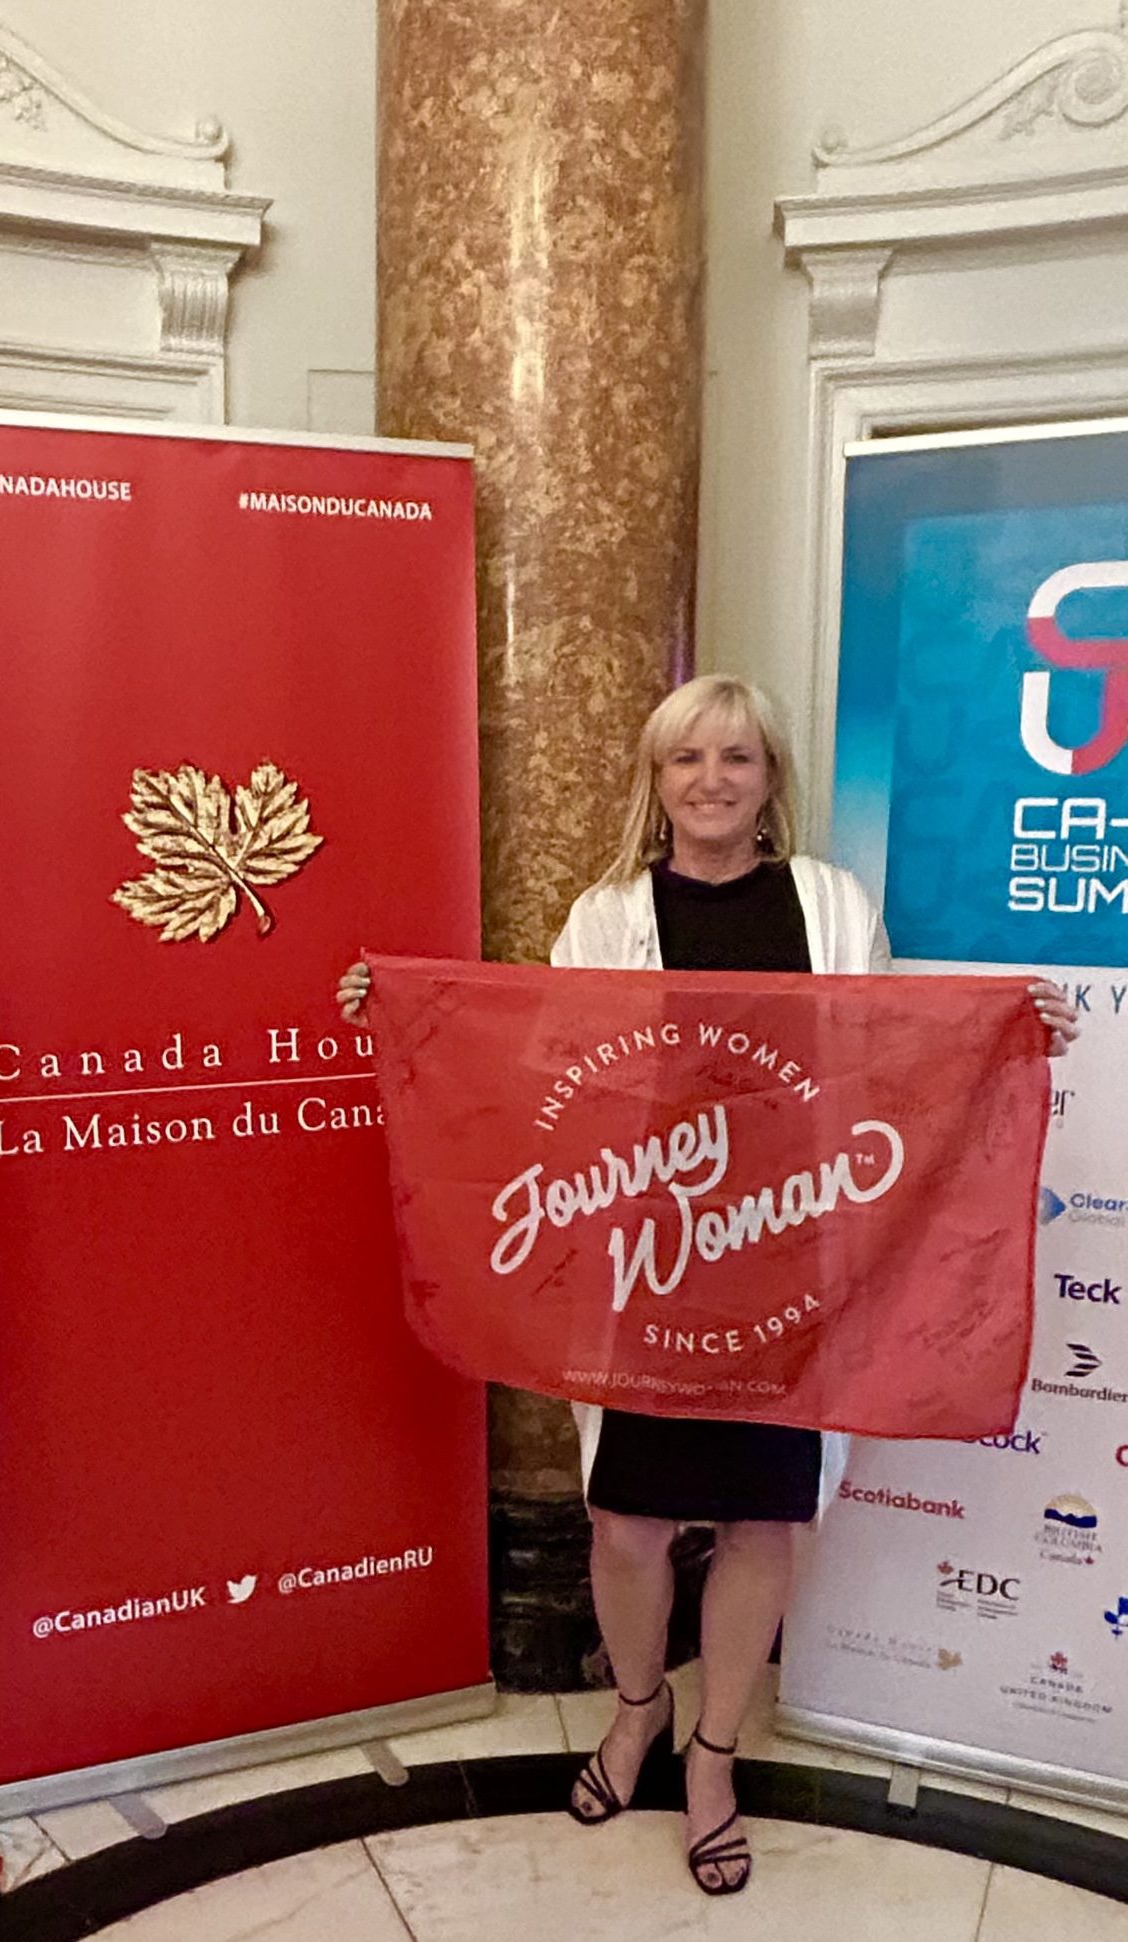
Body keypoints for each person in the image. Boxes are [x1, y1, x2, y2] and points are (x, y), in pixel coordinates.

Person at [337, 673, 1077, 1896]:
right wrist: (405, 1017)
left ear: (770, 778)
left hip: (791, 1261)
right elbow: (547, 1072)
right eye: (687, 759)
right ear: (657, 780)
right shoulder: (607, 913)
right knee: (625, 1515)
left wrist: (1017, 1025)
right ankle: (636, 1708)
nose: (712, 780)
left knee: (761, 1514)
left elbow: (902, 1061)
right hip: (650, 1258)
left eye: (737, 757)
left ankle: (716, 1752)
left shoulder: (829, 903)